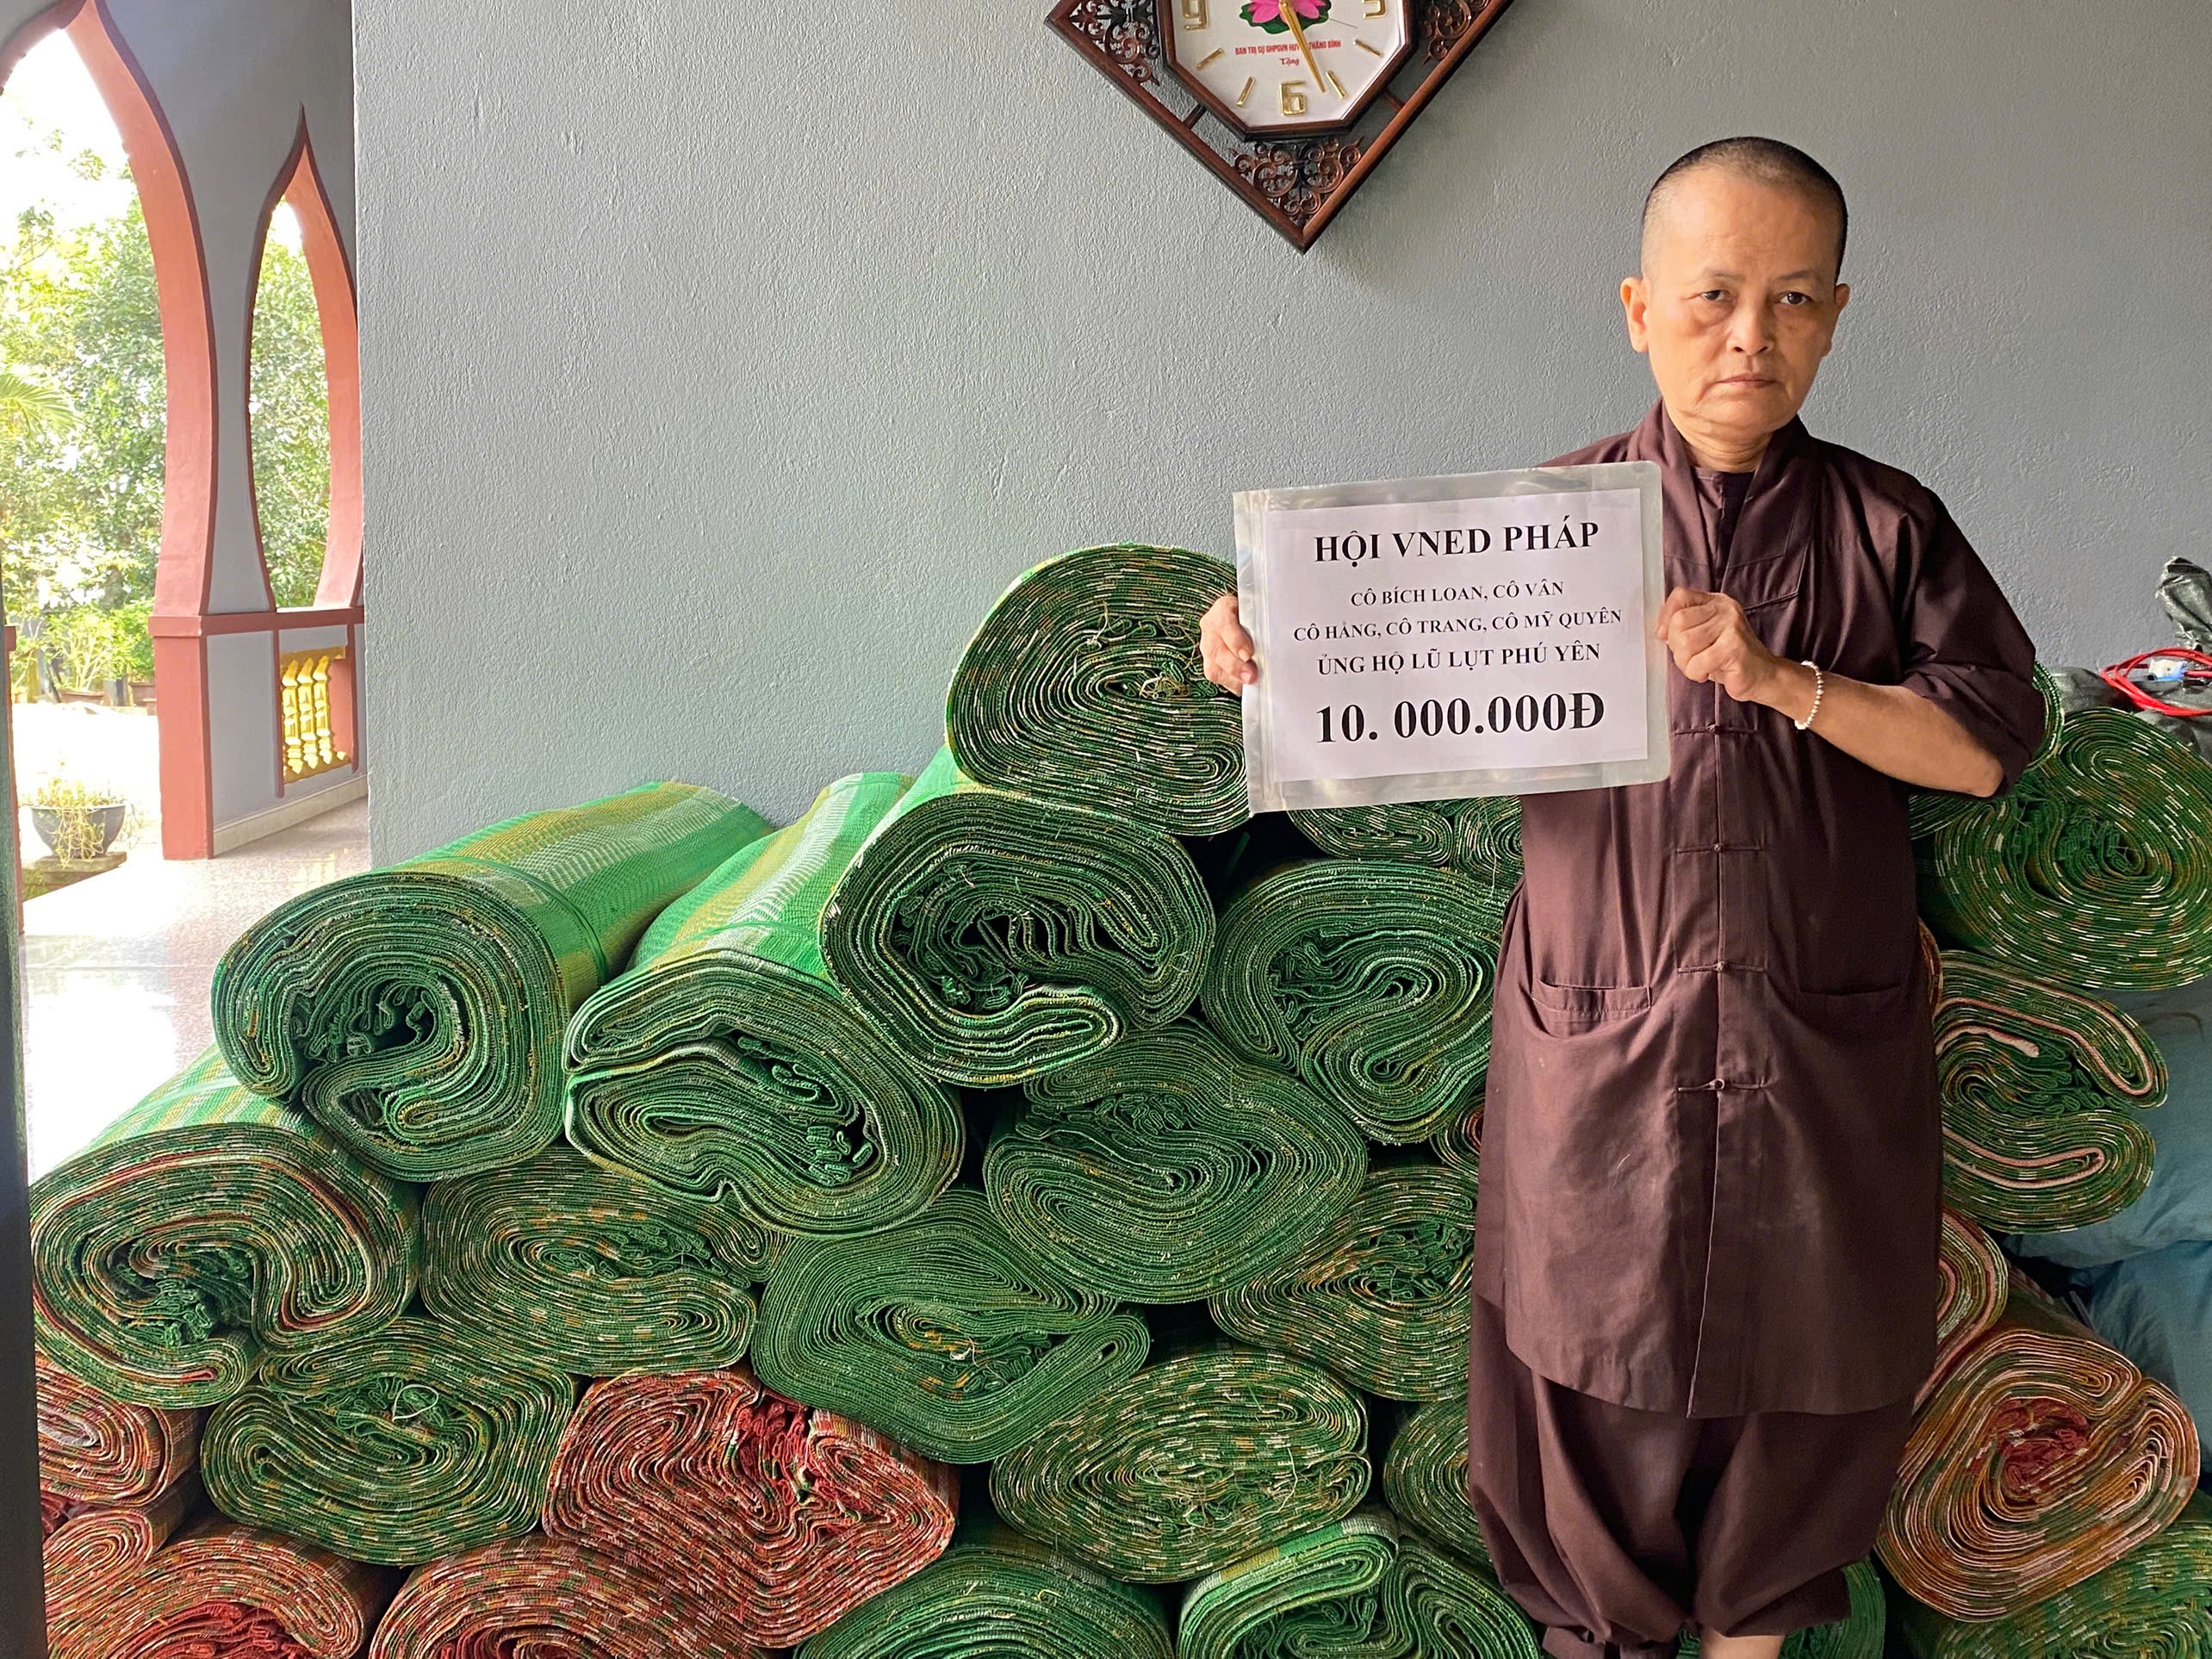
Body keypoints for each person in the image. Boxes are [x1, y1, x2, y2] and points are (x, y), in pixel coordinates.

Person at [1197, 136, 2045, 1659]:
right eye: (1714, 294)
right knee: (1588, 1350)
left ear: (1839, 315)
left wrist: (1786, 680)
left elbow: (1981, 748)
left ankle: (1753, 1634)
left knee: (1821, 1346)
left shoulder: (1889, 526)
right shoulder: (1542, 535)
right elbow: (1361, 676)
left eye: (1793, 299)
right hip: (1604, 1026)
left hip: (1819, 1028)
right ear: (1638, 307)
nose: (1751, 337)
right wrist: (1267, 649)